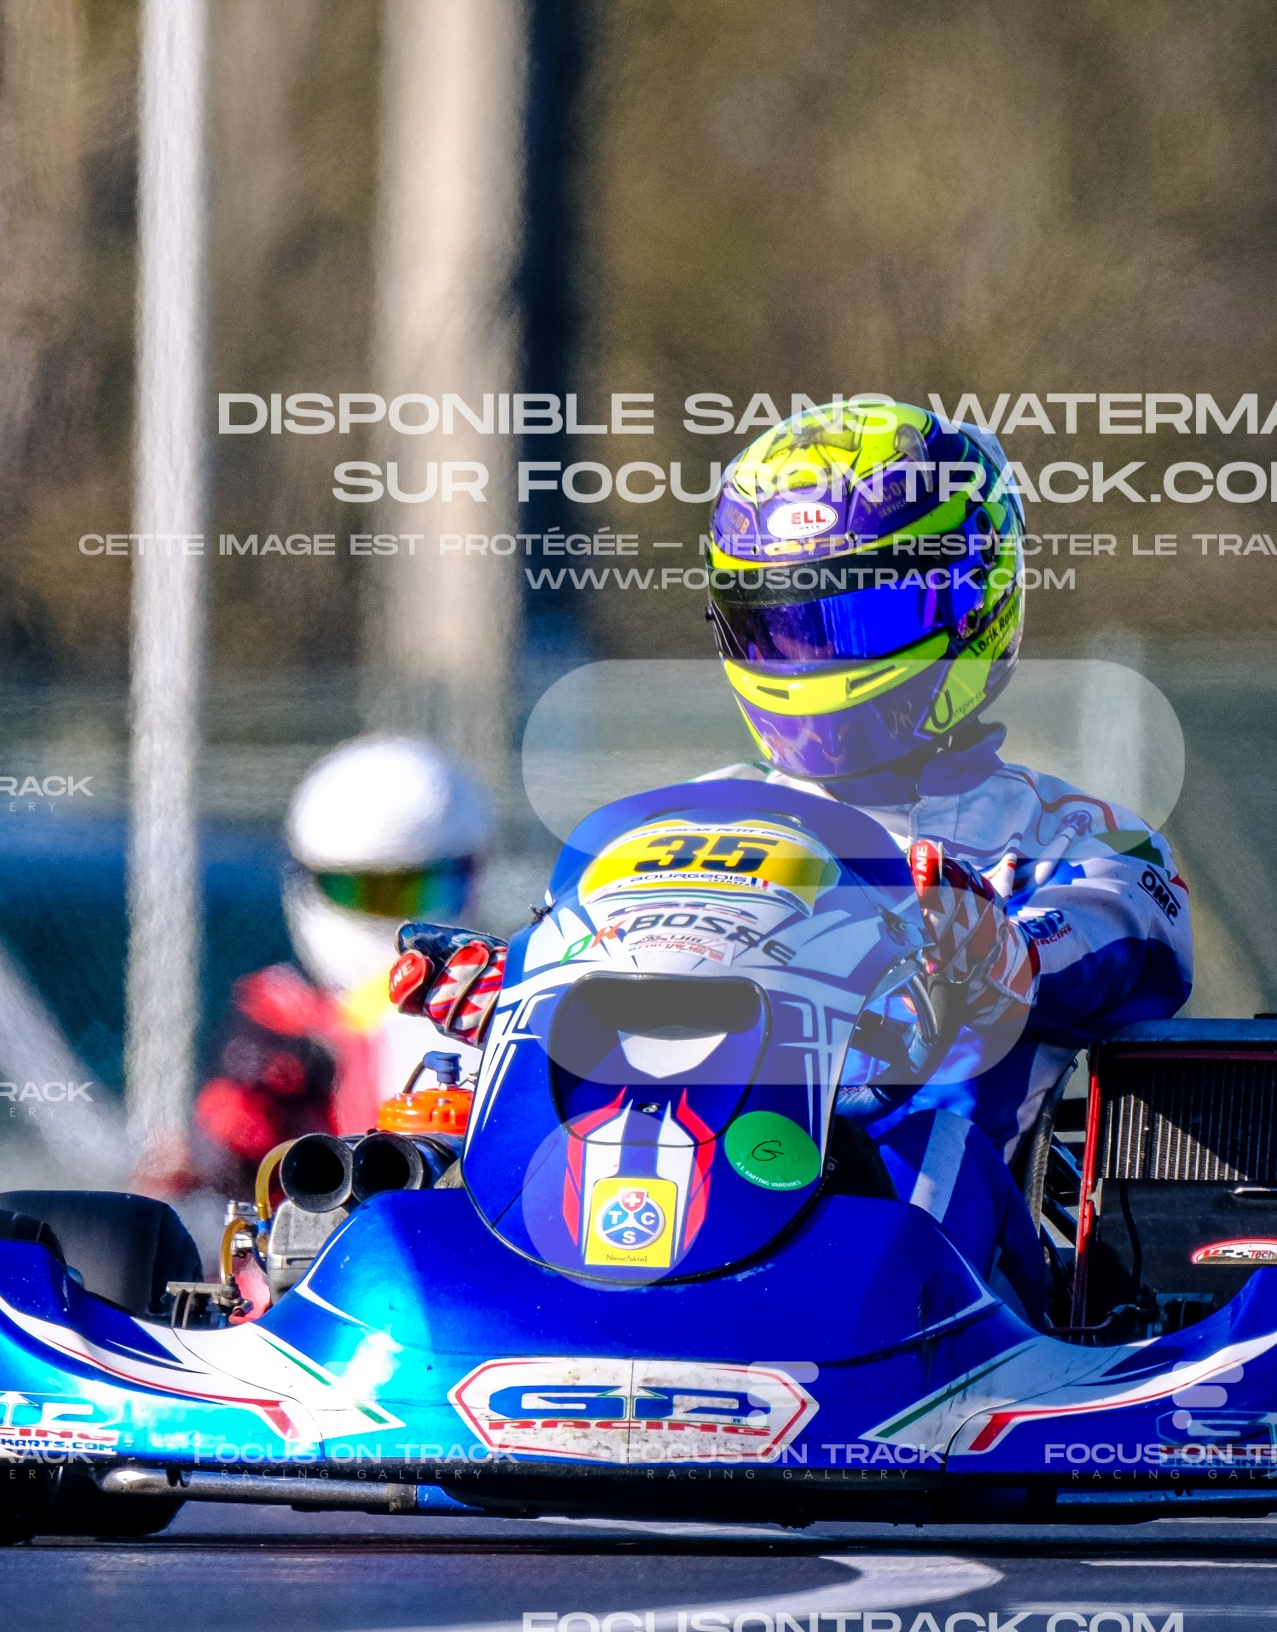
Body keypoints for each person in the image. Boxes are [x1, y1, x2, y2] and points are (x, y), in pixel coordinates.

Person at [392, 397, 1193, 1312]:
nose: (814, 661)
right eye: (781, 625)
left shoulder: (1067, 835)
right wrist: (523, 991)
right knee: (416, 1152)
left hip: (920, 1256)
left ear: (975, 598)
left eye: (858, 621)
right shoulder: (659, 833)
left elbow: (1137, 944)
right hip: (664, 1199)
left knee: (934, 1151)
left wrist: (1002, 950)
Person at [174, 734, 491, 1202]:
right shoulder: (278, 1016)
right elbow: (221, 1153)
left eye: (417, 890)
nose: (394, 923)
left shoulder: (506, 1002)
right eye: (363, 893)